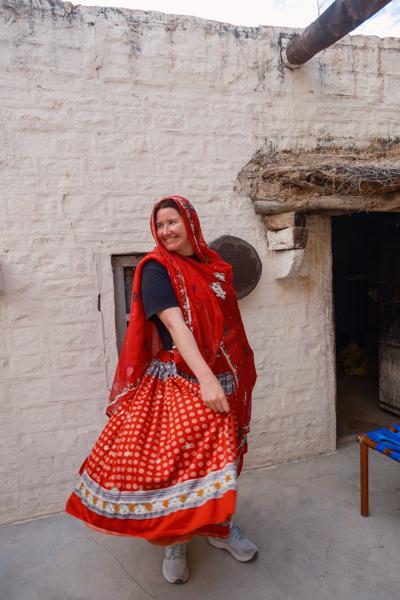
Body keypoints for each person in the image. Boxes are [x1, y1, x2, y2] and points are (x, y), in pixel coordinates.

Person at [66, 195, 258, 583]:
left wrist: (229, 377)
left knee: (221, 460)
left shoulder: (216, 269)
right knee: (176, 465)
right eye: (160, 225)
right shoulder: (156, 268)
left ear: (190, 222)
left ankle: (219, 529)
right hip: (181, 379)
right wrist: (205, 381)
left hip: (224, 374)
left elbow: (229, 327)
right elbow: (176, 326)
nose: (166, 231)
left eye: (172, 222)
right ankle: (176, 541)